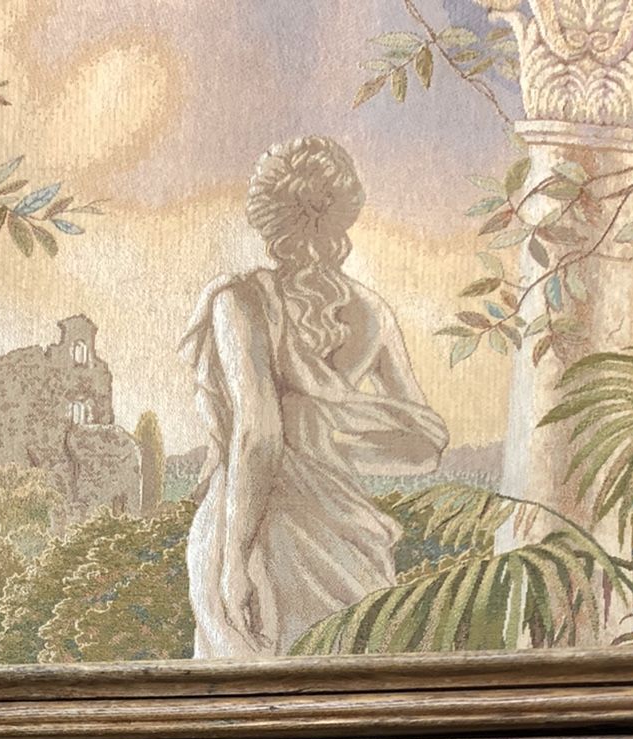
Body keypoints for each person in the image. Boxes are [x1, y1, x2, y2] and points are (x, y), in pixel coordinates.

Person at [182, 134, 448, 657]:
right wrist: (331, 433)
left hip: (260, 526)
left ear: (266, 217)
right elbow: (424, 446)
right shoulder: (371, 312)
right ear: (344, 214)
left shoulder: (240, 300)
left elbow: (259, 437)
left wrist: (234, 558)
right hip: (345, 533)